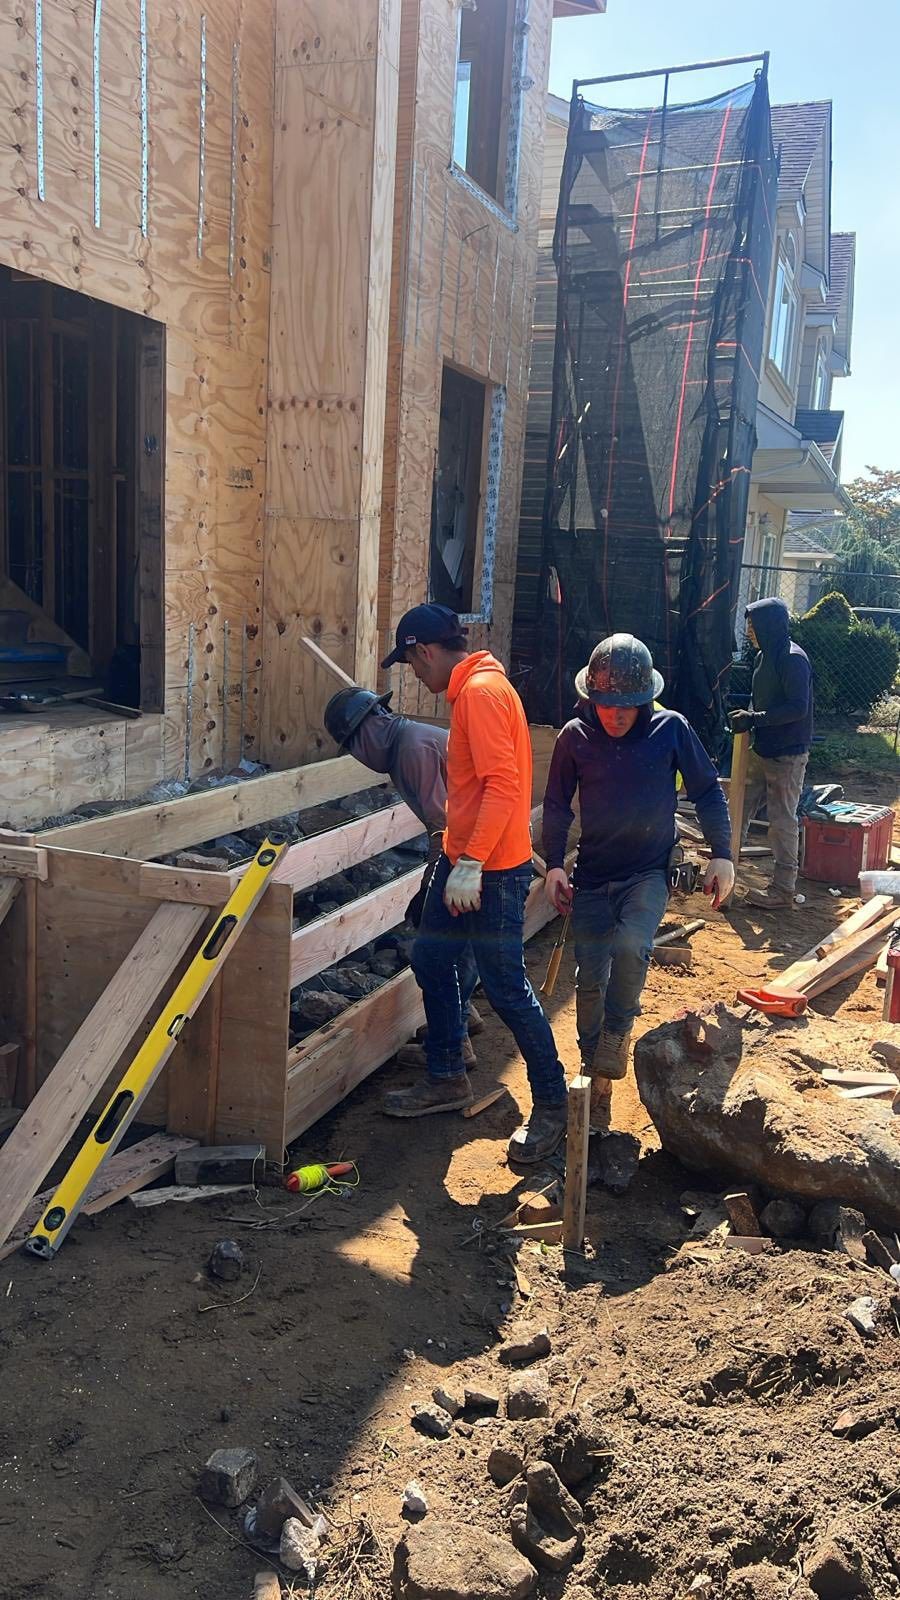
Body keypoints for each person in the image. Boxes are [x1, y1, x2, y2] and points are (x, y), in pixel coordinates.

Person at [379, 603, 568, 1163]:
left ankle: (553, 1104)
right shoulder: (476, 690)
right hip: (465, 859)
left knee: (507, 987)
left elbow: (503, 787)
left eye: (412, 664)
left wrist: (472, 865)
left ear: (425, 651)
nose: (415, 676)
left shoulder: (482, 694)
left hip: (491, 871)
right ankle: (445, 1074)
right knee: (433, 961)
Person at [542, 634, 734, 1132]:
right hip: (592, 875)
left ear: (645, 697)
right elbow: (559, 803)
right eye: (606, 704)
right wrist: (556, 865)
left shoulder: (670, 730)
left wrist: (723, 856)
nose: (616, 714)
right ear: (591, 698)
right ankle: (595, 1074)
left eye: (627, 704)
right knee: (587, 980)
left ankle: (618, 1031)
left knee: (631, 947)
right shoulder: (574, 737)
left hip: (647, 872)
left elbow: (709, 792)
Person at [323, 685, 482, 1066]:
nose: (359, 758)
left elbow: (442, 830)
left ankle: (454, 1044)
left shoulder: (412, 749)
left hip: (476, 853)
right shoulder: (406, 743)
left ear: (371, 728)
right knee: (457, 939)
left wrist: (431, 883)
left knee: (439, 945)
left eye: (353, 747)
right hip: (478, 848)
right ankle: (460, 1019)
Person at [731, 597, 813, 910]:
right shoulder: (762, 657)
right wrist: (747, 717)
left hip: (787, 753)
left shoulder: (793, 659)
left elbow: (797, 707)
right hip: (761, 748)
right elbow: (760, 699)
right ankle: (726, 870)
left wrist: (756, 719)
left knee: (781, 820)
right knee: (737, 808)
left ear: (770, 626)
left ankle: (783, 889)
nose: (749, 631)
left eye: (753, 626)